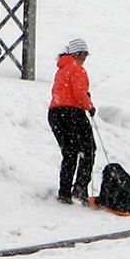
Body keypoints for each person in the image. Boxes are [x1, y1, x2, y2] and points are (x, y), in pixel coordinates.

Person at [48, 37, 97, 204]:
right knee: (88, 150)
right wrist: (89, 106)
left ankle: (64, 192)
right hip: (72, 113)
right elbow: (79, 92)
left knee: (69, 152)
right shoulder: (77, 69)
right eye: (83, 54)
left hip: (55, 113)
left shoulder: (62, 69)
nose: (84, 58)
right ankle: (80, 188)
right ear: (76, 54)